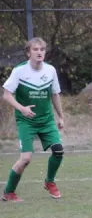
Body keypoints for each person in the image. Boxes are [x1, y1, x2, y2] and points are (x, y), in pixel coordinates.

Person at [2, 37, 65, 202]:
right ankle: (9, 192)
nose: (39, 52)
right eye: (35, 49)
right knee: (25, 159)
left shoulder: (50, 70)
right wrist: (22, 108)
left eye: (42, 49)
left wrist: (61, 116)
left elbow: (55, 94)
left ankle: (49, 182)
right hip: (26, 122)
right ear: (28, 52)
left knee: (58, 150)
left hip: (46, 120)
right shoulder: (19, 71)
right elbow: (7, 95)